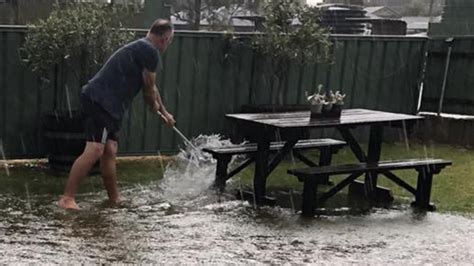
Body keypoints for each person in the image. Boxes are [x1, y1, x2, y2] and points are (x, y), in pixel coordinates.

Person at [58, 19, 176, 210]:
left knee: (110, 150)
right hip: (101, 101)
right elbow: (148, 90)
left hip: (111, 106)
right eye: (170, 41)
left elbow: (152, 86)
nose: (168, 45)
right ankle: (67, 198)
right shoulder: (150, 50)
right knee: (95, 149)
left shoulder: (144, 48)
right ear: (165, 38)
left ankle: (114, 198)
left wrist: (164, 111)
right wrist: (152, 105)